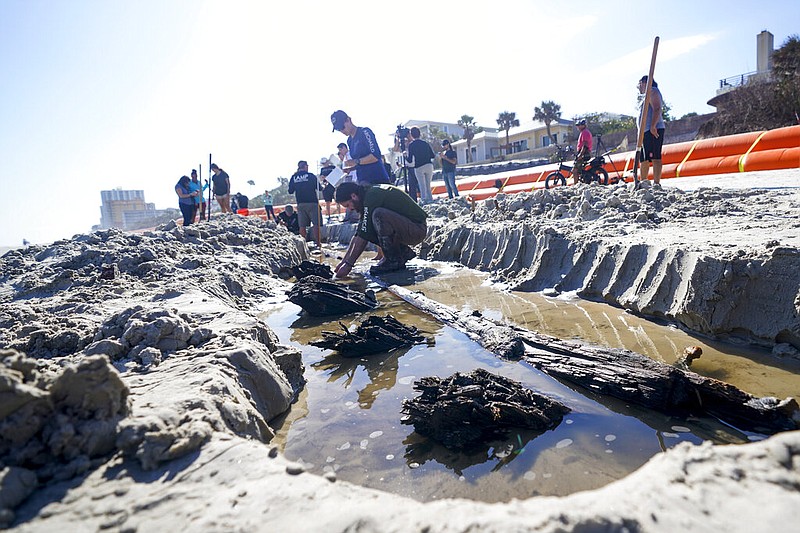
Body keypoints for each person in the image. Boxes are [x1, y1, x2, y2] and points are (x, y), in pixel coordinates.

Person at [333, 181, 428, 276]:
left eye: (348, 205)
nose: (349, 209)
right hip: (407, 226)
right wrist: (344, 261)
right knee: (368, 226)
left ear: (353, 196)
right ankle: (402, 252)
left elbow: (363, 237)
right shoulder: (366, 196)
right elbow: (359, 233)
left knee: (378, 215)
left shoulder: (372, 196)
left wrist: (349, 265)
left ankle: (393, 261)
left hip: (417, 229)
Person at [330, 110, 391, 186]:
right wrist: (351, 168)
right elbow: (361, 163)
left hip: (377, 179)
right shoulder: (349, 140)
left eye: (342, 127)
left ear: (348, 120)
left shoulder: (365, 132)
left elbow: (375, 156)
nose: (342, 131)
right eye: (338, 129)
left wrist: (355, 161)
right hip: (362, 181)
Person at [637, 75, 666, 186]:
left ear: (644, 82)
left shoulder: (653, 91)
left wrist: (653, 125)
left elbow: (657, 108)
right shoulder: (645, 95)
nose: (639, 87)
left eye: (639, 84)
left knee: (655, 156)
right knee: (643, 158)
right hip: (645, 131)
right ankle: (644, 181)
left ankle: (656, 183)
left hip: (653, 129)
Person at [287, 160, 323, 241]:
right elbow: (319, 188)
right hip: (312, 202)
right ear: (306, 166)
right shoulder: (311, 176)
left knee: (302, 226)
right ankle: (318, 243)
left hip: (300, 203)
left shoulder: (294, 177)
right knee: (316, 224)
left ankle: (304, 245)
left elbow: (290, 191)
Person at [403, 127, 436, 203]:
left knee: (422, 185)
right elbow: (432, 155)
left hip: (419, 166)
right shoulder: (425, 143)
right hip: (429, 165)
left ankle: (424, 200)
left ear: (412, 135)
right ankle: (430, 199)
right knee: (428, 185)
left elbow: (410, 160)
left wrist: (405, 156)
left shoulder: (411, 145)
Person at [572, 119, 593, 185]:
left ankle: (576, 185)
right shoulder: (584, 132)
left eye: (579, 125)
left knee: (575, 170)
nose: (578, 127)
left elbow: (585, 145)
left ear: (583, 125)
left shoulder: (585, 133)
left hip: (584, 153)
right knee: (580, 170)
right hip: (584, 152)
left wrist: (580, 155)